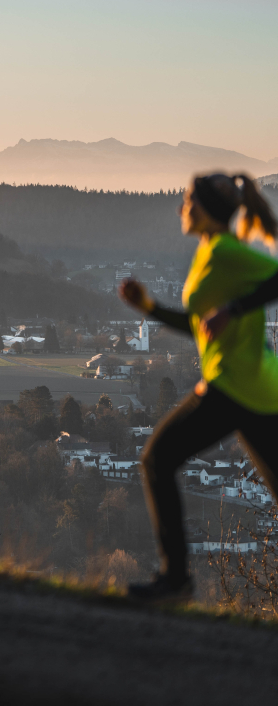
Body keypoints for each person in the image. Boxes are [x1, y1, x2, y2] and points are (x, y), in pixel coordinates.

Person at [119, 171, 278, 603]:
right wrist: (149, 307)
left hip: (235, 385)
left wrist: (234, 307)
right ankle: (176, 581)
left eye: (187, 201)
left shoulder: (226, 251)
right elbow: (199, 326)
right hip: (258, 390)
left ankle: (176, 581)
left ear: (205, 210)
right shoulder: (210, 252)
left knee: (157, 460)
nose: (180, 209)